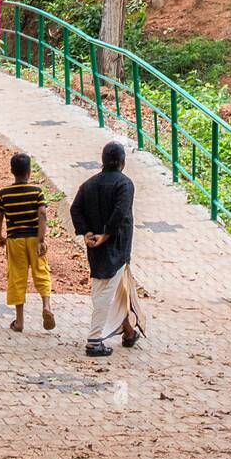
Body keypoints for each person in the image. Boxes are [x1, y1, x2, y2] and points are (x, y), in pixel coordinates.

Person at [70, 140, 144, 357]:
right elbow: (120, 213)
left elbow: (76, 209)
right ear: (122, 161)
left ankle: (129, 332)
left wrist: (87, 233)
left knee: (117, 289)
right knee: (105, 291)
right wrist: (107, 235)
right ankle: (94, 340)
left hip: (95, 245)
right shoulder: (125, 184)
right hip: (117, 246)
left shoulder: (88, 184)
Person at [0, 152, 55, 333]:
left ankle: (19, 321)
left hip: (15, 240)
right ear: (29, 172)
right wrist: (41, 239)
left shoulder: (4, 194)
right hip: (35, 239)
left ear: (12, 171)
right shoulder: (37, 192)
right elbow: (42, 214)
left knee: (17, 277)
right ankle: (46, 306)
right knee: (41, 272)